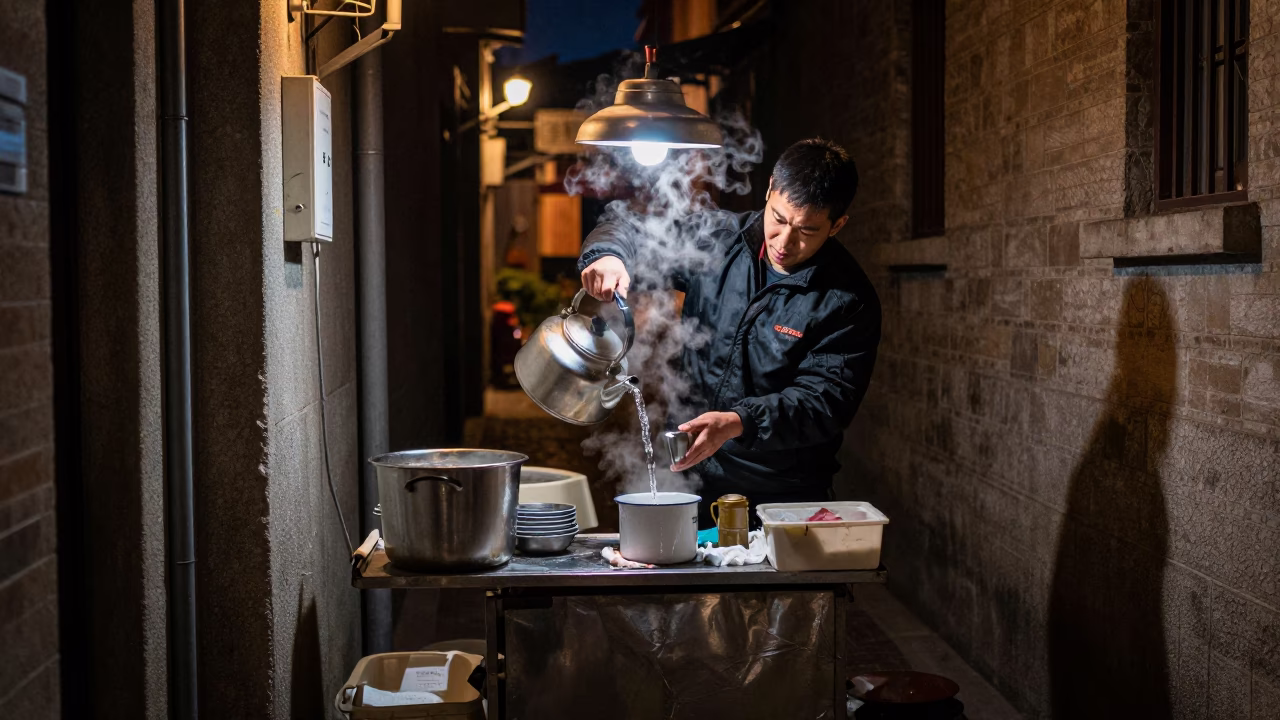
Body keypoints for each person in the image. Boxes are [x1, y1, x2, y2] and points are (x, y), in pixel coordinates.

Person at [578, 138, 881, 528]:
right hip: (689, 477)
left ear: (837, 225)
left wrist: (739, 421)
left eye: (807, 230)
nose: (784, 242)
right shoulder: (719, 240)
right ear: (770, 188)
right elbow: (630, 229)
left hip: (780, 496)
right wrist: (609, 254)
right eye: (779, 218)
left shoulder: (847, 300)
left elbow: (823, 402)